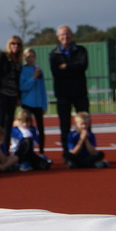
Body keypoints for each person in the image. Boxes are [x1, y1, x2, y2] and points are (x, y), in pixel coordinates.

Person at [49, 25, 89, 154]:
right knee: (64, 125)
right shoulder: (53, 54)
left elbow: (83, 66)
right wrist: (73, 68)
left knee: (85, 123)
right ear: (58, 37)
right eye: (62, 35)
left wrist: (66, 67)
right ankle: (67, 153)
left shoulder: (81, 50)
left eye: (67, 34)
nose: (65, 37)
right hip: (63, 94)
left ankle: (86, 151)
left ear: (72, 35)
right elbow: (56, 72)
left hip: (80, 92)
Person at [0, 35, 23, 152]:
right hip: (1, 94)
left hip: (13, 95)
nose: (16, 46)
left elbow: (18, 81)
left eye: (18, 44)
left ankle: (5, 151)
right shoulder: (3, 57)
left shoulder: (18, 61)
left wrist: (19, 97)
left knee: (9, 124)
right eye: (13, 44)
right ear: (9, 45)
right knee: (0, 123)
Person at [19, 48, 48, 157]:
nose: (30, 59)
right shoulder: (23, 70)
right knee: (26, 126)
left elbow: (42, 88)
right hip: (27, 102)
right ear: (24, 58)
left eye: (32, 56)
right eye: (28, 56)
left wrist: (44, 104)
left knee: (40, 128)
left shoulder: (39, 70)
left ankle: (41, 152)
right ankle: (26, 150)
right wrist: (33, 78)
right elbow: (23, 87)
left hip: (38, 103)